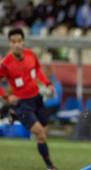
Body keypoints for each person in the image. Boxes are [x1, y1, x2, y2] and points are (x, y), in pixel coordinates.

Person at [0, 28, 56, 170]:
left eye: (19, 41)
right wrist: (6, 96)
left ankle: (14, 115)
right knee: (40, 133)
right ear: (10, 44)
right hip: (22, 103)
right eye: (13, 42)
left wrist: (48, 84)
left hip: (37, 98)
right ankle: (50, 166)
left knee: (44, 132)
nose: (17, 44)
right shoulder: (6, 64)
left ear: (23, 41)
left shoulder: (31, 55)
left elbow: (37, 70)